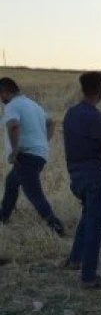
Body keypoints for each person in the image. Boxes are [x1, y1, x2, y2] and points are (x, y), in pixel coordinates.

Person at [62, 72, 101, 289]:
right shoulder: (95, 117)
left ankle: (74, 260)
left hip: (76, 176)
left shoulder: (71, 114)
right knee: (96, 227)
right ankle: (89, 277)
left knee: (87, 218)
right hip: (95, 175)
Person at [0, 77, 65, 236]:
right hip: (38, 154)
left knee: (34, 194)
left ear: (6, 92)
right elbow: (51, 123)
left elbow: (13, 126)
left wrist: (14, 151)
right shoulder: (32, 104)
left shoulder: (12, 106)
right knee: (11, 183)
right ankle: (3, 216)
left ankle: (55, 225)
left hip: (25, 156)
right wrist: (43, 141)